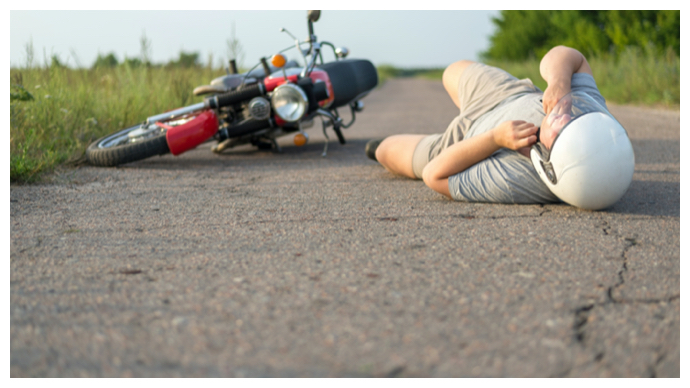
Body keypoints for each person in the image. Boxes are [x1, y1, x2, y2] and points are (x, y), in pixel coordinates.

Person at [366, 45, 632, 207]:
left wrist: (494, 138)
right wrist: (560, 81)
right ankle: (465, 106)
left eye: (563, 128)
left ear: (551, 165)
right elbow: (569, 56)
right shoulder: (593, 114)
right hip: (505, 94)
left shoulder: (519, 181)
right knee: (452, 70)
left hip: (465, 141)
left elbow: (434, 176)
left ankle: (380, 148)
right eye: (577, 115)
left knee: (384, 152)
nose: (565, 114)